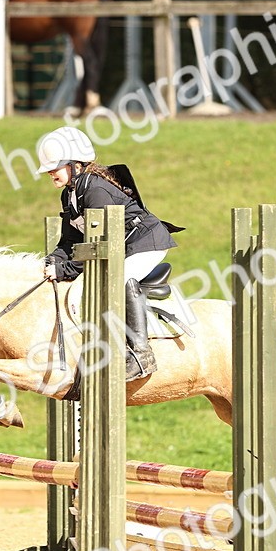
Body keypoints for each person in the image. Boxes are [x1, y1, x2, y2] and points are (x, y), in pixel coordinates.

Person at [37, 125, 183, 382]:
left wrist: (65, 269)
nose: (50, 171)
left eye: (56, 165)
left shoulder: (96, 191)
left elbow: (100, 251)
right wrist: (52, 262)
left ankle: (141, 354)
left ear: (76, 164)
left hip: (144, 243)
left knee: (118, 277)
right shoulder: (70, 194)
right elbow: (69, 241)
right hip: (117, 247)